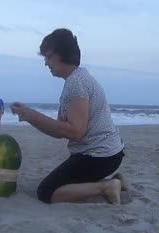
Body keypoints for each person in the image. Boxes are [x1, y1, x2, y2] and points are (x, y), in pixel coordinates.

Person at [11, 28, 126, 204]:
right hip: (108, 153)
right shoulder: (76, 79)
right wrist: (30, 117)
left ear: (63, 54)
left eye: (48, 57)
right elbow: (59, 131)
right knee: (62, 182)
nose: (46, 63)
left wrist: (32, 115)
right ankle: (116, 181)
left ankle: (106, 187)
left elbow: (75, 132)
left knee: (46, 192)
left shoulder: (76, 83)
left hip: (99, 156)